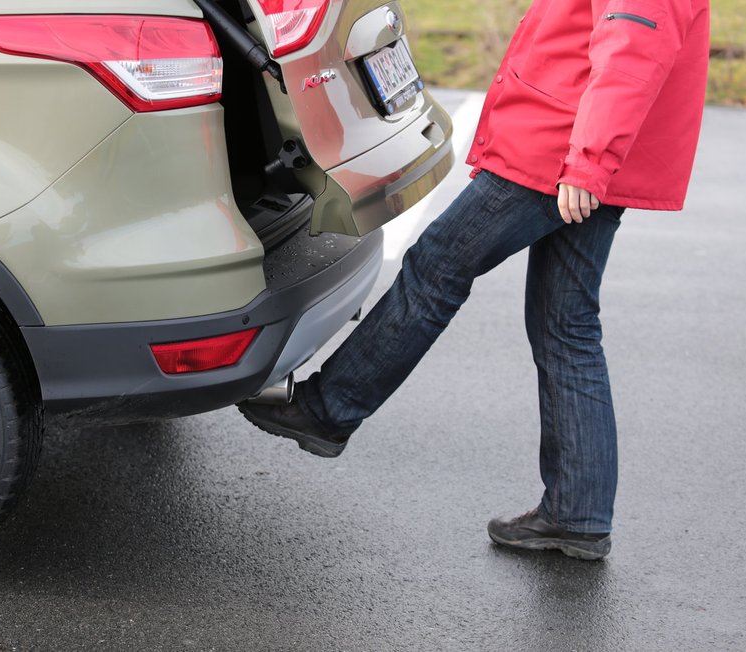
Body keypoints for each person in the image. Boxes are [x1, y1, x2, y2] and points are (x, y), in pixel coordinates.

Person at [239, 0, 711, 560]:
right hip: (579, 148)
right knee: (568, 325)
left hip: (560, 150)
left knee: (437, 267)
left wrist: (588, 163)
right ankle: (577, 513)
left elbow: (632, 48)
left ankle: (329, 410)